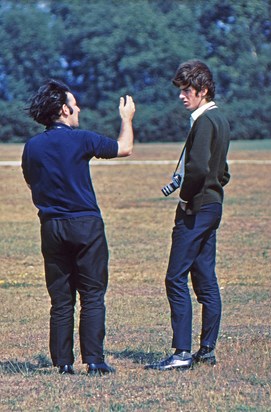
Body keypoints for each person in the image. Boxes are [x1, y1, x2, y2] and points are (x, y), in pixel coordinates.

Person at [21, 79, 135, 375]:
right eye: (75, 103)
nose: (79, 108)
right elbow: (124, 148)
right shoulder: (81, 139)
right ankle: (94, 361)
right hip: (85, 225)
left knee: (61, 300)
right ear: (63, 109)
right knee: (92, 295)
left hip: (52, 227)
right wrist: (126, 118)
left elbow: (31, 181)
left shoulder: (31, 146)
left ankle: (63, 363)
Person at [145, 60, 230, 371]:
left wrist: (185, 199)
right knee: (206, 279)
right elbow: (223, 171)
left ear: (202, 90)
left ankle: (181, 353)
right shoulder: (220, 118)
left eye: (186, 90)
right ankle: (206, 350)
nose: (182, 96)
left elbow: (197, 169)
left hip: (196, 208)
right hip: (213, 206)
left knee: (175, 278)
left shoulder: (204, 121)